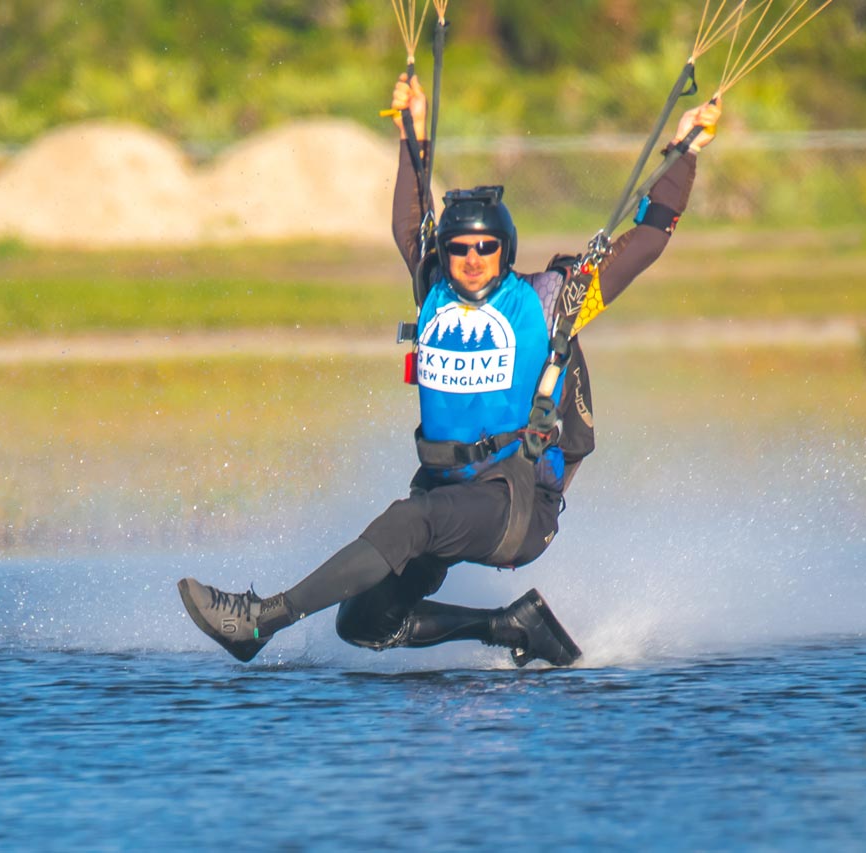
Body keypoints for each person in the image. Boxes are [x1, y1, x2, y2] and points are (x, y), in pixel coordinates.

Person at [177, 73, 721, 666]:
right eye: (459, 248)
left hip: (512, 499)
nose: (469, 259)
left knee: (408, 523)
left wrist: (684, 152)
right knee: (363, 623)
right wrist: (412, 132)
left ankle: (260, 621)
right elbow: (410, 225)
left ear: (504, 250)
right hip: (443, 487)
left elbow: (647, 237)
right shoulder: (432, 289)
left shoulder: (549, 301)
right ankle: (511, 626)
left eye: (484, 248)